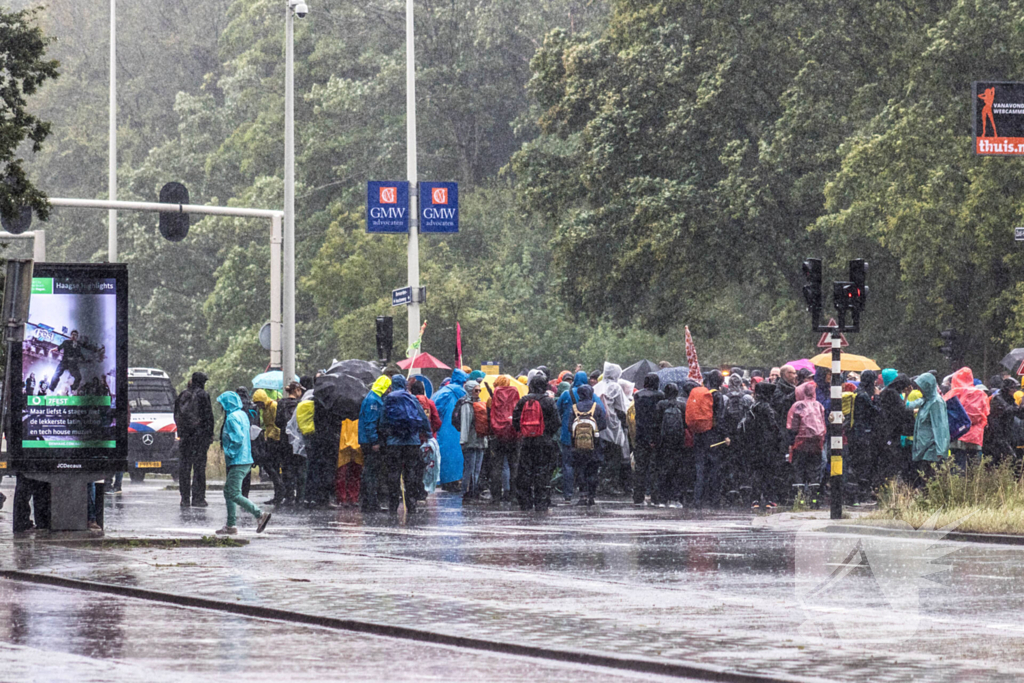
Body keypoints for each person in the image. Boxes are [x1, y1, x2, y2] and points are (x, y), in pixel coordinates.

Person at [215, 391, 271, 535]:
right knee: (229, 491)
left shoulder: (231, 418)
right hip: (246, 458)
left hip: (237, 460)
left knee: (233, 493)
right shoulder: (242, 415)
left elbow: (238, 438)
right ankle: (230, 525)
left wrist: (230, 452)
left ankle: (259, 514)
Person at [379, 375, 431, 514]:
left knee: (393, 473)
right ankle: (411, 503)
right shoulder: (412, 398)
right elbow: (423, 418)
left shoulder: (388, 399)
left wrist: (386, 435)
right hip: (411, 441)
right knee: (411, 472)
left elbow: (383, 421)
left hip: (394, 442)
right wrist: (428, 434)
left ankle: (393, 503)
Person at [512, 375, 561, 511]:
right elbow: (557, 422)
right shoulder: (548, 402)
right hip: (544, 442)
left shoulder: (523, 401)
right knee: (543, 471)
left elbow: (515, 421)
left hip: (527, 441)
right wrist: (547, 433)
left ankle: (525, 501)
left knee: (525, 471)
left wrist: (524, 431)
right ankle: (541, 502)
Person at [737, 381, 784, 509]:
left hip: (754, 446)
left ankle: (755, 499)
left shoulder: (753, 407)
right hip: (767, 446)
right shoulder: (767, 408)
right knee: (768, 473)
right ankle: (769, 499)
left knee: (756, 473)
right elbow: (774, 427)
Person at [173, 371, 215, 508]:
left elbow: (176, 415)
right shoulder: (203, 395)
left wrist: (182, 432)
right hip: (199, 439)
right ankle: (198, 498)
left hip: (185, 438)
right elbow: (209, 417)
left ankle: (184, 498)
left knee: (184, 469)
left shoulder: (182, 395)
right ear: (201, 382)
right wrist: (209, 435)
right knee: (199, 469)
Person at [593, 363, 631, 493]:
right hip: (613, 426)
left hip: (599, 426)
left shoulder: (597, 387)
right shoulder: (615, 387)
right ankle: (609, 484)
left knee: (602, 457)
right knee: (614, 457)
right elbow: (621, 407)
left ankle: (599, 482)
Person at [787, 381, 827, 500]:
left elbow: (792, 426)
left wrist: (790, 442)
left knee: (799, 469)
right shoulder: (818, 405)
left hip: (800, 443)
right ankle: (813, 497)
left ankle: (799, 498)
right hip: (816, 443)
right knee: (814, 470)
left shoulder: (797, 406)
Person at [569, 384, 607, 506]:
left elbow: (570, 427)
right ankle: (591, 495)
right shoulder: (597, 407)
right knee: (593, 470)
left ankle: (583, 495)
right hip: (594, 445)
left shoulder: (575, 408)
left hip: (578, 446)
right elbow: (603, 425)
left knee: (581, 469)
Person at [556, 371, 592, 500]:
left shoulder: (566, 394)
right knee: (583, 464)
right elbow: (603, 412)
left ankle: (568, 494)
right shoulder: (591, 395)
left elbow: (556, 410)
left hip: (567, 434)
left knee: (568, 465)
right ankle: (584, 493)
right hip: (586, 436)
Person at [358, 375, 391, 512]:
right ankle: (371, 502)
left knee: (370, 472)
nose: (390, 390)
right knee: (371, 472)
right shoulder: (374, 401)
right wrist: (374, 441)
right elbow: (370, 423)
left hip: (368, 440)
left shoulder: (373, 397)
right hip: (369, 441)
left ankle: (368, 502)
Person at [945, 367, 989, 471]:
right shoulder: (981, 394)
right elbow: (986, 413)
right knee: (974, 468)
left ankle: (958, 486)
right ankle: (974, 486)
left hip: (958, 434)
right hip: (975, 437)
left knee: (957, 468)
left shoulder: (953, 393)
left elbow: (945, 413)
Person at [486, 375, 521, 503]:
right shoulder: (516, 397)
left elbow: (488, 419)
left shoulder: (491, 399)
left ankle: (496, 496)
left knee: (496, 466)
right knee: (514, 466)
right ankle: (513, 495)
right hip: (514, 435)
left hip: (497, 436)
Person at [632, 373, 664, 505]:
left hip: (640, 433)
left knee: (640, 467)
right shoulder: (660, 396)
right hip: (655, 433)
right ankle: (655, 496)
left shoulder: (638, 395)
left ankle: (638, 496)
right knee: (655, 466)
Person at [434, 369, 469, 490]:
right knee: (458, 457)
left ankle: (445, 481)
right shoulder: (463, 393)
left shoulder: (441, 393)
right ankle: (456, 481)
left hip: (443, 431)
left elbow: (435, 411)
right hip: (458, 429)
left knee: (445, 456)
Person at [911, 373, 950, 481]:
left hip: (932, 449)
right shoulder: (926, 401)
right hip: (923, 448)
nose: (919, 390)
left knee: (930, 480)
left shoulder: (936, 402)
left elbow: (940, 427)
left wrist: (940, 451)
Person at [653, 383, 685, 506]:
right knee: (677, 470)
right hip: (678, 442)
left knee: (662, 469)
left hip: (663, 442)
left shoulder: (661, 405)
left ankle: (662, 498)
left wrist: (655, 440)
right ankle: (675, 498)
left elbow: (656, 423)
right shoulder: (682, 405)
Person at [253, 389, 286, 505]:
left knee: (274, 465)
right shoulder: (265, 409)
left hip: (276, 440)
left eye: (259, 403)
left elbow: (277, 424)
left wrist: (272, 436)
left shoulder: (273, 406)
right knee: (272, 467)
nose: (259, 406)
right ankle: (278, 494)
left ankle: (280, 492)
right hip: (270, 438)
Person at [459, 380, 489, 502]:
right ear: (469, 390)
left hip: (478, 440)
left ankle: (472, 491)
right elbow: (465, 423)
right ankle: (468, 491)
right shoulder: (467, 404)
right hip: (472, 441)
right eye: (476, 390)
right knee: (471, 468)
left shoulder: (476, 403)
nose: (478, 392)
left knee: (475, 468)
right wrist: (463, 440)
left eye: (479, 390)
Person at [275, 381, 305, 505]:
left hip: (284, 440)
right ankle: (300, 496)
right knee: (300, 468)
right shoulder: (301, 404)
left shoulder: (281, 403)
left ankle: (289, 495)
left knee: (287, 468)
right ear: (296, 390)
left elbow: (277, 422)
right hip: (298, 440)